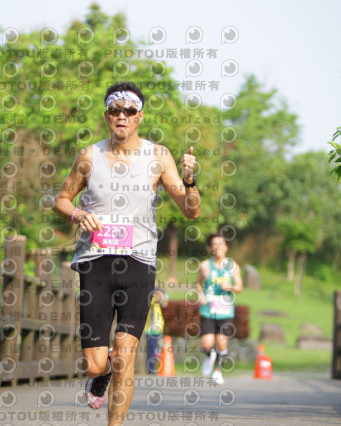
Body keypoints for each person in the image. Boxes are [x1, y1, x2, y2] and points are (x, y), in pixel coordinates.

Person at [53, 81, 201, 425]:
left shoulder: (158, 157)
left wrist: (190, 181)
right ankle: (101, 375)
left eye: (129, 110)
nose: (122, 115)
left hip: (138, 262)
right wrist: (77, 214)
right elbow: (61, 199)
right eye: (115, 110)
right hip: (95, 262)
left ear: (139, 116)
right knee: (94, 363)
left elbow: (191, 210)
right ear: (107, 115)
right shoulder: (89, 156)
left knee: (125, 354)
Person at [195, 234, 243, 385]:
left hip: (225, 311)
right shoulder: (205, 265)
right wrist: (200, 295)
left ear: (226, 247)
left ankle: (218, 371)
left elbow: (240, 287)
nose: (218, 247)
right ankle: (210, 355)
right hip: (208, 310)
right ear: (210, 248)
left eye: (221, 244)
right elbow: (198, 283)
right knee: (207, 344)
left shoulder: (232, 266)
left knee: (222, 344)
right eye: (215, 244)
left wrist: (231, 287)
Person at [144, 288, 168, 374]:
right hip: (151, 330)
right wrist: (158, 294)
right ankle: (151, 370)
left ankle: (153, 369)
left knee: (156, 350)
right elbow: (160, 300)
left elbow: (164, 303)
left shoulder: (156, 302)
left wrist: (160, 294)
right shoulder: (152, 301)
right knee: (151, 350)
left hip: (157, 329)